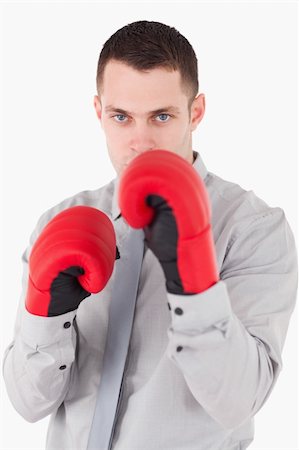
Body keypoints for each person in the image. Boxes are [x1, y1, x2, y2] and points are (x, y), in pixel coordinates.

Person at [3, 20, 298, 450]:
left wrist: (193, 279)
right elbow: (27, 404)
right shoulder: (62, 220)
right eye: (121, 117)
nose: (140, 142)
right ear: (98, 112)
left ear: (195, 112)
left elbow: (239, 402)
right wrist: (46, 312)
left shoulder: (252, 229)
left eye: (161, 116)